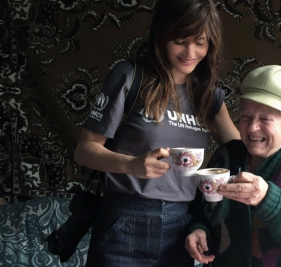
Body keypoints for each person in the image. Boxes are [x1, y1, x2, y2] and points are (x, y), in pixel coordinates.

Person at [74, 0, 240, 266]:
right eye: (180, 40)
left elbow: (245, 152)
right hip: (124, 219)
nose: (190, 52)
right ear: (162, 36)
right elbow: (84, 150)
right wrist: (131, 165)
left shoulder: (208, 96)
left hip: (180, 227)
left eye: (200, 42)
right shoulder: (130, 77)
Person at [185, 65, 281, 267]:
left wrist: (269, 200)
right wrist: (198, 229)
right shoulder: (227, 156)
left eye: (265, 119)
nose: (252, 127)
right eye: (245, 116)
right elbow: (199, 209)